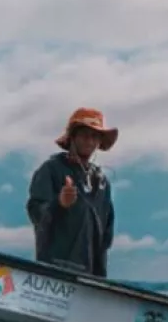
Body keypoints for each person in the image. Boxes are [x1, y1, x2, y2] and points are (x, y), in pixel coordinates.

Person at [25, 107, 118, 277]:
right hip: (54, 270)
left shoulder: (102, 183)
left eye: (94, 136)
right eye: (83, 134)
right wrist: (59, 204)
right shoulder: (51, 170)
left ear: (99, 142)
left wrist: (100, 278)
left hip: (90, 276)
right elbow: (36, 212)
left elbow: (106, 235)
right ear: (72, 138)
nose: (89, 141)